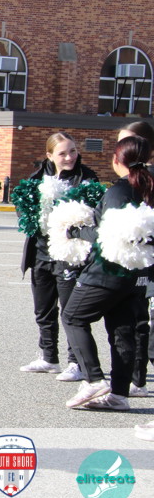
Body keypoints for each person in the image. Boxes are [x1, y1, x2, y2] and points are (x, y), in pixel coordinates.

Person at [61, 135, 153, 411]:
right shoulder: (148, 187)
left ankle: (93, 379)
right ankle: (119, 395)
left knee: (73, 316)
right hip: (138, 273)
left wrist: (75, 231)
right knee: (122, 330)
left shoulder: (120, 191)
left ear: (116, 160)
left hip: (107, 271)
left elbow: (107, 234)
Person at [18, 132, 97, 378]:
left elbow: (94, 214)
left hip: (70, 255)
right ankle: (48, 357)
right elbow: (24, 211)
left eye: (73, 151)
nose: (69, 157)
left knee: (71, 312)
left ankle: (76, 362)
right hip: (41, 254)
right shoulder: (37, 178)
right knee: (43, 311)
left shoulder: (86, 178)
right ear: (49, 155)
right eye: (62, 153)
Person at [117, 121, 154, 398]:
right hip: (136, 262)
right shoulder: (125, 184)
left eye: (127, 142)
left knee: (145, 324)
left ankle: (137, 379)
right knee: (136, 319)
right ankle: (136, 379)